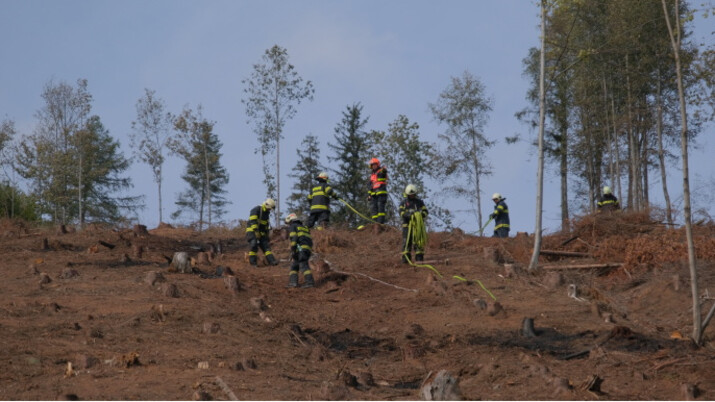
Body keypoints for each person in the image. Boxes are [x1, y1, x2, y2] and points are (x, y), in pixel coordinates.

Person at [399, 184, 428, 264]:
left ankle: (419, 259)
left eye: (413, 194)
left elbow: (425, 211)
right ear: (407, 194)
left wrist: (420, 214)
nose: (412, 196)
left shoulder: (419, 202)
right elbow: (401, 212)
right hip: (407, 226)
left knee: (418, 242)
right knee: (406, 242)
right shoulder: (403, 203)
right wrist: (408, 215)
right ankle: (405, 260)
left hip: (417, 227)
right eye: (410, 195)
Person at [246, 198, 279, 266]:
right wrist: (256, 232)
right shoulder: (256, 209)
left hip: (261, 232)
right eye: (269, 208)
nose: (270, 210)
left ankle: (272, 261)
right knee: (254, 245)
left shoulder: (266, 213)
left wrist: (266, 236)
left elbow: (265, 225)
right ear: (266, 205)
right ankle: (253, 263)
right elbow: (253, 221)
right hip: (252, 231)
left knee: (266, 246)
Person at [285, 213, 314, 288]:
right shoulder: (304, 227)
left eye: (288, 223)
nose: (288, 225)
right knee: (294, 266)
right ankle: (293, 282)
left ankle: (310, 282)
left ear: (290, 221)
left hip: (300, 249)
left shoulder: (293, 226)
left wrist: (293, 249)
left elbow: (294, 238)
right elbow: (310, 240)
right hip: (306, 249)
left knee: (303, 265)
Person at [367, 157, 388, 224]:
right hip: (374, 195)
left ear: (378, 164)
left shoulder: (381, 171)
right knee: (374, 209)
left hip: (381, 193)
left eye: (375, 164)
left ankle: (380, 223)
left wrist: (384, 170)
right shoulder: (372, 175)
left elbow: (384, 173)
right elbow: (370, 186)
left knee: (380, 208)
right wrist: (369, 195)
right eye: (372, 165)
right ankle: (375, 223)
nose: (374, 166)